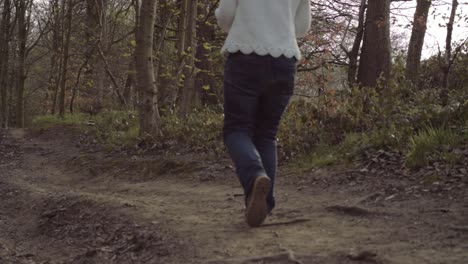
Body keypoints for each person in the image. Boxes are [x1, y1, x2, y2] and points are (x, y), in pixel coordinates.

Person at [215, 0, 311, 227]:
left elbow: (226, 16)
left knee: (237, 129)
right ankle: (262, 203)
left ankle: (255, 175)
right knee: (266, 135)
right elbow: (302, 27)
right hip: (284, 60)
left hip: (244, 57)